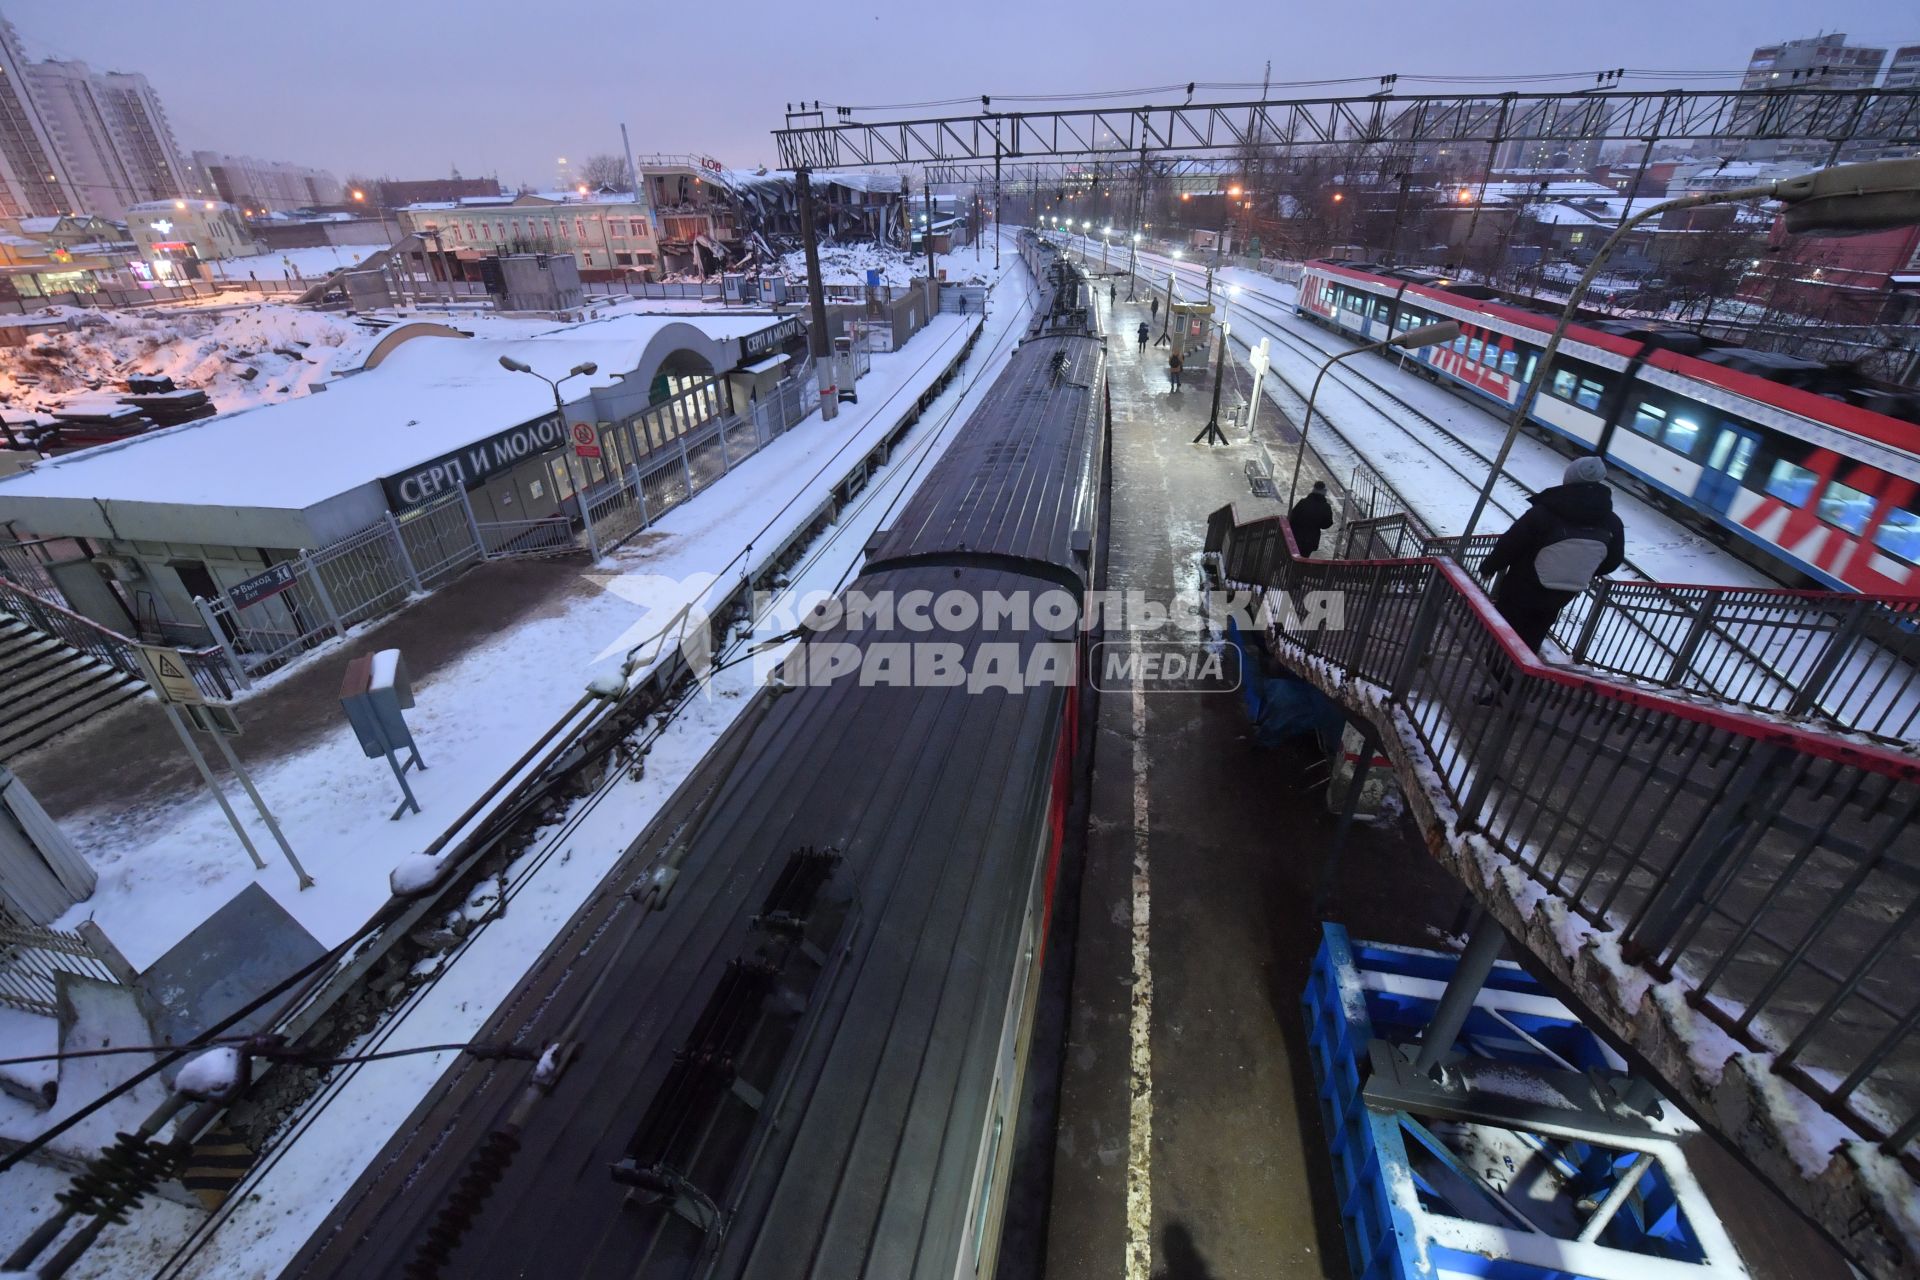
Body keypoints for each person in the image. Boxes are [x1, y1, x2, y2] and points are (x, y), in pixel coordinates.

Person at [1477, 456, 1626, 697]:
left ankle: (1509, 691)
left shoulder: (1545, 512)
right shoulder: (1612, 522)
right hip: (1561, 594)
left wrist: (1489, 567)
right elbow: (1612, 560)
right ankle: (1515, 691)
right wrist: (1582, 568)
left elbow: (1511, 543)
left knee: (1500, 642)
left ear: (1569, 478)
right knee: (1530, 642)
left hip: (1521, 589)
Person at [1288, 481, 1335, 557]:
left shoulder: (1303, 502)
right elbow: (1327, 524)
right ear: (1324, 492)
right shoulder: (1326, 507)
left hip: (1295, 535)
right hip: (1311, 539)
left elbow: (1292, 517)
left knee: (1292, 556)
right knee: (1303, 558)